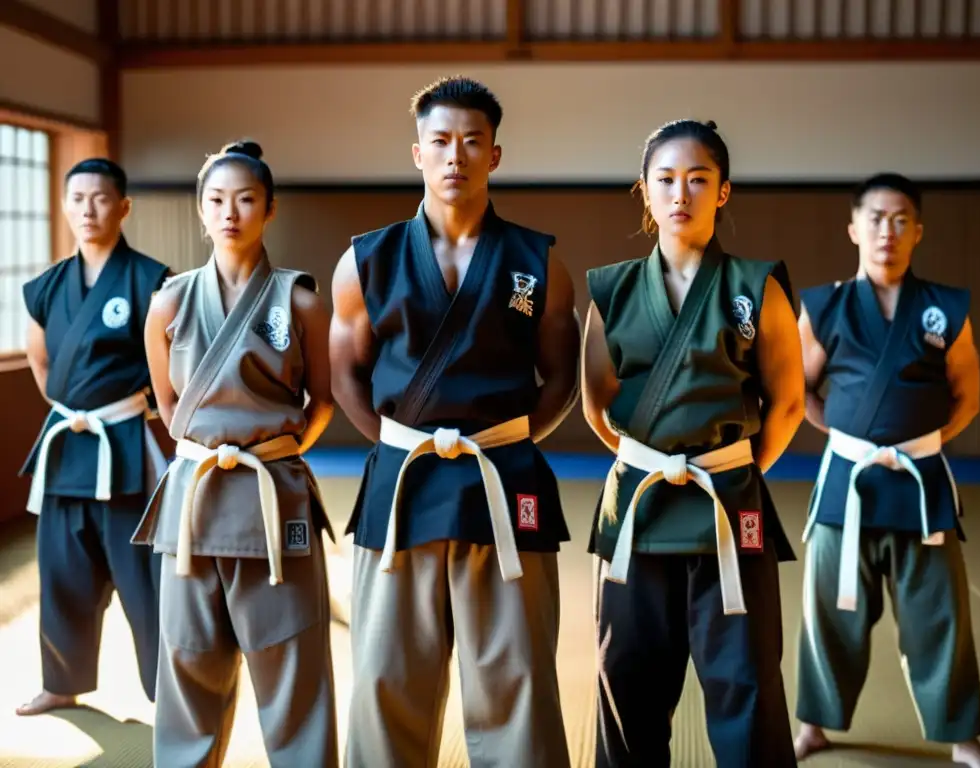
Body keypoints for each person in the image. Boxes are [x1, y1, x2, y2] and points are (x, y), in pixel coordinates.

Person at [331, 76, 580, 768]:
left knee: (518, 676)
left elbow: (561, 374)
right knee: (386, 676)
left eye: (472, 142)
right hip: (403, 480)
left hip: (503, 480)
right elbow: (345, 373)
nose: (455, 157)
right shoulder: (366, 260)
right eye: (440, 141)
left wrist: (511, 441)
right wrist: (397, 442)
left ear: (494, 155)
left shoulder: (538, 264)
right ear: (417, 152)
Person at [581, 119, 806, 768]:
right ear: (645, 192)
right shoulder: (613, 289)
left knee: (749, 679)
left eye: (698, 179)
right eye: (666, 179)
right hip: (638, 508)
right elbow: (597, 405)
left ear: (724, 191)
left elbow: (787, 403)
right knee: (625, 681)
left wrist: (731, 470)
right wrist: (657, 466)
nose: (681, 192)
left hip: (730, 505)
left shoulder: (756, 286)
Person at [134, 140, 338, 767]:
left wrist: (276, 454)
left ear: (269, 208)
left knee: (294, 662)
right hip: (195, 503)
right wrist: (205, 451)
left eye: (246, 199)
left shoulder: (299, 300)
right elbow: (168, 406)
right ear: (201, 210)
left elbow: (322, 401)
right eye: (217, 200)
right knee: (189, 658)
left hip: (273, 499)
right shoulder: (169, 300)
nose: (231, 212)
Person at [792, 173, 980, 768]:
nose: (888, 231)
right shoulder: (826, 305)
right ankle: (812, 727)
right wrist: (847, 438)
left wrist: (922, 445)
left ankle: (962, 738)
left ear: (918, 232)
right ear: (854, 229)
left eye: (901, 219)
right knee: (829, 613)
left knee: (941, 616)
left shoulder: (943, 307)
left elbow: (969, 394)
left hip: (921, 484)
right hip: (847, 483)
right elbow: (800, 391)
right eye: (877, 218)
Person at [17, 158, 169, 717]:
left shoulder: (151, 280)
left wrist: (122, 410)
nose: (88, 209)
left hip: (125, 442)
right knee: (61, 568)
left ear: (123, 206)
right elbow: (40, 360)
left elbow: (167, 369)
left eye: (101, 198)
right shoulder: (46, 286)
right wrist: (75, 411)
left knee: (142, 576)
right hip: (67, 444)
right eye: (77, 197)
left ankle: (167, 690)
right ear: (64, 205)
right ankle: (62, 682)